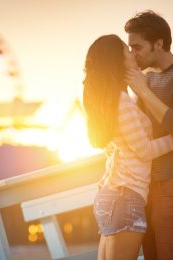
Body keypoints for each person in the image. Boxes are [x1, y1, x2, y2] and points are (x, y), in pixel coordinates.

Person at [82, 34, 173, 260]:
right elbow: (144, 151)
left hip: (112, 195)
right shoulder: (121, 102)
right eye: (127, 51)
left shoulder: (112, 100)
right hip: (125, 197)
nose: (132, 55)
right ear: (118, 60)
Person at [124, 10, 173, 260]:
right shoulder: (146, 79)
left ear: (159, 43)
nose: (133, 53)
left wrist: (142, 91)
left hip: (168, 187)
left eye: (137, 47)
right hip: (145, 189)